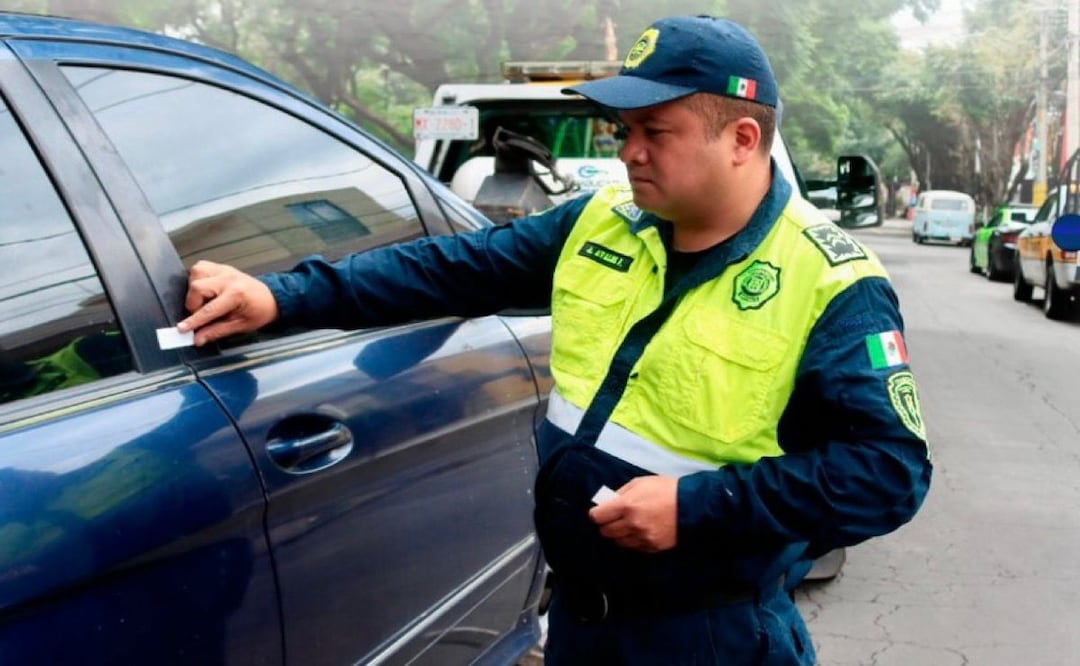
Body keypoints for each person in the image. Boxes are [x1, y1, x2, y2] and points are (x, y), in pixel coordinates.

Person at [178, 15, 932, 665]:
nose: (629, 152)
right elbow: (450, 270)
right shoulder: (603, 221)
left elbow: (888, 471)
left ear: (740, 139)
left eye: (654, 133)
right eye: (625, 132)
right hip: (579, 621)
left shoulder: (830, 281)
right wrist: (281, 295)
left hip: (709, 636)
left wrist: (702, 506)